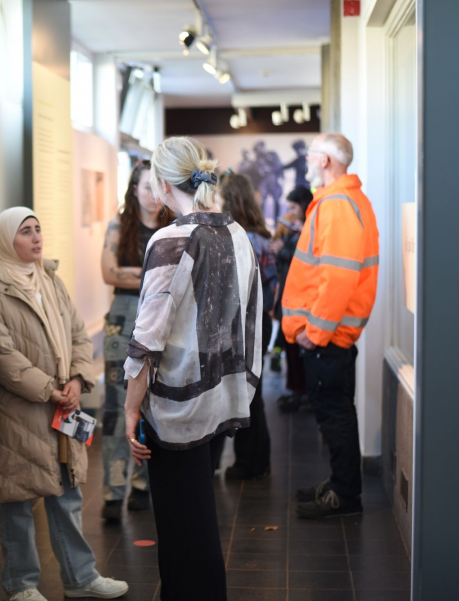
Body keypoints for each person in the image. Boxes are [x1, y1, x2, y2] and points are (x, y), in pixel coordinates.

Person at [124, 137, 262, 601]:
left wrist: (129, 408)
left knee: (182, 532)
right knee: (198, 521)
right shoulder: (237, 235)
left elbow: (148, 335)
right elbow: (251, 317)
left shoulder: (171, 239)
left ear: (163, 185)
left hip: (177, 405)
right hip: (221, 397)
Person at [0, 207, 129, 601]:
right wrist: (50, 389)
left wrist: (76, 377)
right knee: (17, 501)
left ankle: (81, 578)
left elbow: (78, 334)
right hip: (20, 412)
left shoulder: (50, 279)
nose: (36, 237)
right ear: (8, 240)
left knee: (68, 494)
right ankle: (21, 585)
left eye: (38, 229)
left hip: (63, 404)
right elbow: (3, 357)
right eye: (26, 232)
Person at [282, 133, 379, 519]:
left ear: (325, 161)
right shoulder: (342, 200)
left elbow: (337, 278)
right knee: (336, 413)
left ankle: (345, 495)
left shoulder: (337, 204)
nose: (306, 161)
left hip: (327, 337)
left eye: (311, 155)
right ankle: (341, 485)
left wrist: (313, 333)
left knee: (335, 415)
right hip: (332, 335)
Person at [99, 159, 175, 521]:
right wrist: (152, 275)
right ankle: (114, 490)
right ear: (133, 190)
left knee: (152, 401)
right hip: (123, 316)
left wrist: (133, 273)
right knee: (116, 407)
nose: (152, 195)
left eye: (157, 187)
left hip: (160, 316)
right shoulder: (120, 224)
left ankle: (143, 484)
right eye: (146, 187)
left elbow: (174, 278)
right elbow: (107, 272)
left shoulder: (172, 226)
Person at [217, 172, 277, 480]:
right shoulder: (262, 238)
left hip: (240, 326)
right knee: (255, 391)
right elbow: (270, 289)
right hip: (260, 324)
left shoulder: (237, 239)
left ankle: (248, 464)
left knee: (241, 394)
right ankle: (258, 461)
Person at [271, 185, 313, 411]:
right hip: (290, 299)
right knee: (291, 350)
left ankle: (299, 392)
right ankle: (296, 391)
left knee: (296, 353)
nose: (291, 212)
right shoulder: (300, 230)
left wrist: (282, 250)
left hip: (298, 302)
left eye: (294, 207)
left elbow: (304, 260)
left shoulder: (309, 231)